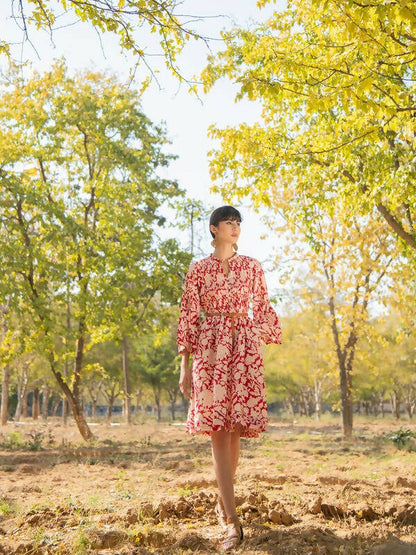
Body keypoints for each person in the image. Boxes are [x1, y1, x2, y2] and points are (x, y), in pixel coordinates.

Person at [177, 206, 282, 551]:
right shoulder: (198, 270)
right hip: (209, 350)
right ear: (213, 228)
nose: (235, 227)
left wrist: (259, 340)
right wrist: (184, 367)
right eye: (229, 222)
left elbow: (263, 306)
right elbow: (189, 317)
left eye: (238, 223)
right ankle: (233, 523)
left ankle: (224, 501)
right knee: (219, 430)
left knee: (235, 429)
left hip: (243, 347)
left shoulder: (252, 265)